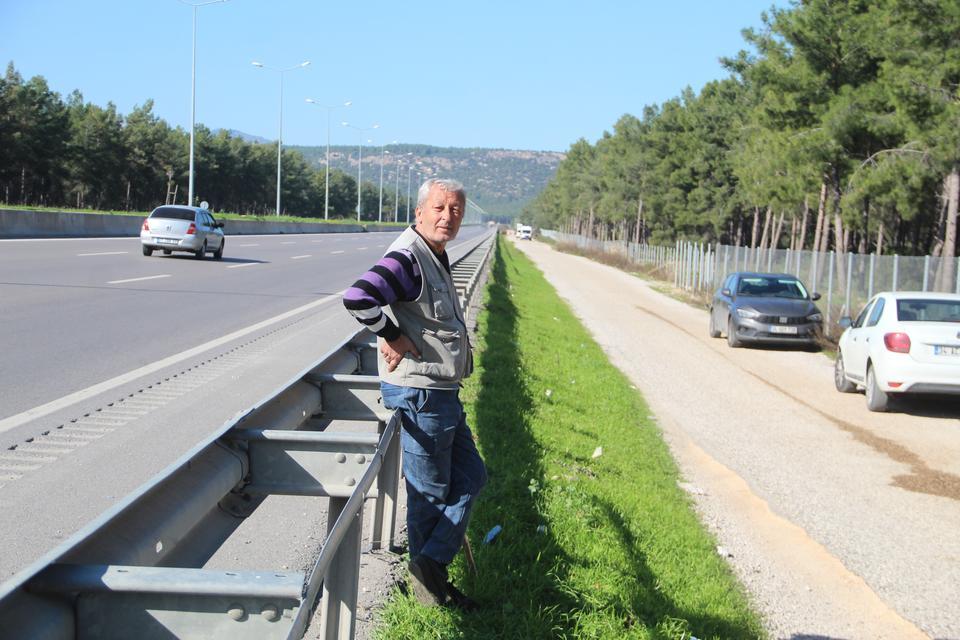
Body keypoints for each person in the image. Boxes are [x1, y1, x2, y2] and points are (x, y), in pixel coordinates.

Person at [342, 178, 487, 610]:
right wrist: (390, 332)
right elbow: (358, 297)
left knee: (472, 477)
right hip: (422, 393)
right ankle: (429, 591)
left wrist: (398, 331)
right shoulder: (408, 256)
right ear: (419, 212)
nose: (448, 217)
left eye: (456, 210)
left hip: (440, 391)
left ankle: (429, 567)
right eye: (439, 208)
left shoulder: (435, 254)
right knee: (430, 495)